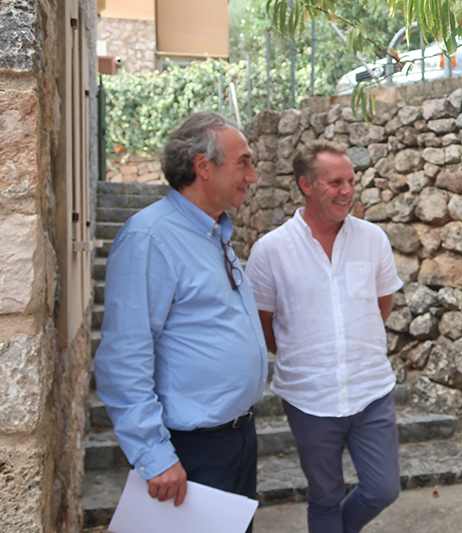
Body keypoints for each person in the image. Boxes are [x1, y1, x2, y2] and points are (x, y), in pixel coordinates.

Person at [94, 111, 269, 529]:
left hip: (236, 439)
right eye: (243, 162)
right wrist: (153, 455)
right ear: (203, 166)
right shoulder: (149, 237)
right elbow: (124, 357)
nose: (253, 176)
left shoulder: (215, 233)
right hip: (190, 451)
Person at [245, 140, 403, 533]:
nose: (347, 191)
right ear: (306, 185)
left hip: (370, 390)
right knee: (324, 497)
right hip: (309, 397)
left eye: (351, 181)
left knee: (383, 489)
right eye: (335, 182)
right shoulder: (270, 250)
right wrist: (302, 351)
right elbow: (263, 321)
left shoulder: (373, 239)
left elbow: (382, 304)